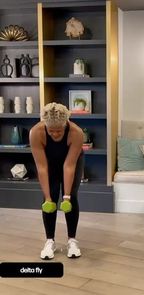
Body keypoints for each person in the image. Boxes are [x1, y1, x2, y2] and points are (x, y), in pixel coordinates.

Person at [29, 102, 84, 259]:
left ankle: (72, 241)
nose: (54, 134)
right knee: (50, 198)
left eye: (59, 131)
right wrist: (47, 197)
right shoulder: (36, 132)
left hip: (72, 161)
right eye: (51, 131)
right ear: (45, 125)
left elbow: (69, 166)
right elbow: (42, 167)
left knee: (72, 197)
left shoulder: (76, 132)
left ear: (66, 124)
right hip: (48, 163)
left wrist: (66, 196)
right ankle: (49, 241)